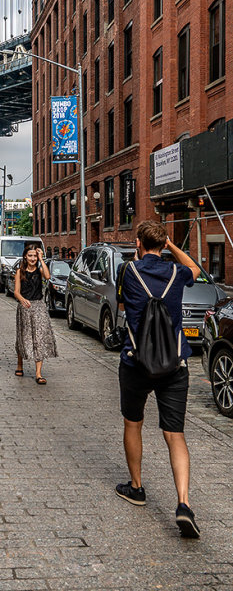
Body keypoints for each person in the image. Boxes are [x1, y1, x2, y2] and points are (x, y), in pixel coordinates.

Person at [115, 220, 201, 538]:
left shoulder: (127, 271)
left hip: (136, 361)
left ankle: (137, 487)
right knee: (174, 434)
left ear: (137, 242)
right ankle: (183, 503)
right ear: (163, 245)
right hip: (174, 364)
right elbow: (197, 270)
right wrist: (171, 245)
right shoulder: (176, 273)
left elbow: (123, 303)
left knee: (133, 423)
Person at [13, 244, 57, 383]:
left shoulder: (39, 270)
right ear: (25, 256)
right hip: (25, 307)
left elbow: (48, 276)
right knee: (24, 336)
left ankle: (38, 373)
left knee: (39, 338)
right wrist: (22, 300)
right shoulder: (20, 272)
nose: (32, 258)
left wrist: (41, 259)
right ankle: (20, 364)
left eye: (34, 256)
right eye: (30, 255)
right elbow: (16, 292)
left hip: (39, 306)